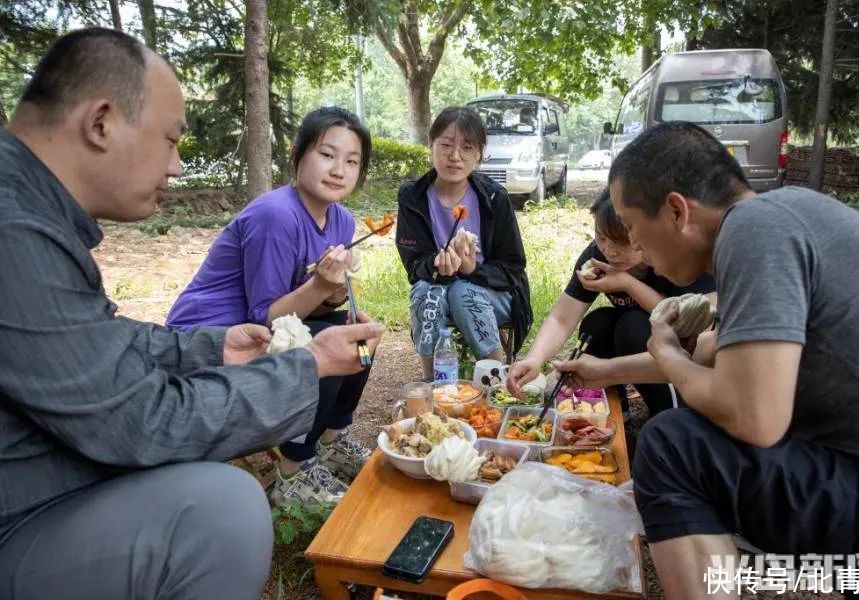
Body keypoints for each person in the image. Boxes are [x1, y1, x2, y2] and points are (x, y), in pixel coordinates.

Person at [0, 28, 385, 600]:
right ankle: (296, 467)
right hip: (22, 505)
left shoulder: (32, 210)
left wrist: (211, 350)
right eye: (172, 141)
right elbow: (139, 422)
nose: (178, 167)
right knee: (224, 510)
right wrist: (302, 368)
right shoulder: (16, 231)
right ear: (101, 121)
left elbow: (89, 340)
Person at [558, 121, 859, 598]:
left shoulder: (755, 230)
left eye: (635, 230)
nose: (638, 251)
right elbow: (715, 366)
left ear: (677, 210)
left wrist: (667, 352)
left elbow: (753, 416)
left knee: (671, 446)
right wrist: (603, 370)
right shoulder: (785, 214)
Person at [167, 107, 373, 504]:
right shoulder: (275, 215)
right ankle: (293, 471)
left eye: (352, 161)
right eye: (327, 155)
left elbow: (315, 301)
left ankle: (331, 441)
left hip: (269, 324)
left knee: (361, 339)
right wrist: (321, 286)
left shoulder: (343, 221)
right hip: (210, 335)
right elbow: (267, 315)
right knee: (324, 346)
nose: (338, 170)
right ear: (297, 154)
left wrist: (334, 294)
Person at [506, 187, 715, 417]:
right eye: (602, 237)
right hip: (641, 342)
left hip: (681, 350)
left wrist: (628, 284)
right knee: (597, 324)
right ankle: (615, 408)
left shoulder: (674, 255)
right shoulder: (596, 257)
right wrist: (535, 359)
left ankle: (670, 412)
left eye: (621, 241)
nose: (609, 251)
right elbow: (562, 317)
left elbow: (693, 324)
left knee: (632, 325)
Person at [395, 106, 532, 380]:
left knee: (462, 291)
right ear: (430, 144)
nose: (455, 156)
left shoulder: (494, 197)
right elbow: (414, 264)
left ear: (480, 154)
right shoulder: (413, 197)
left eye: (467, 147)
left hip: (494, 294)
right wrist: (435, 266)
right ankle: (433, 381)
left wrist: (472, 270)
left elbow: (513, 267)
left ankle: (496, 379)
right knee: (428, 293)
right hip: (438, 289)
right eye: (445, 145)